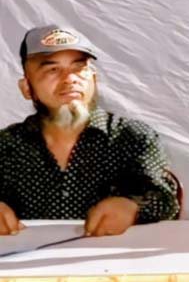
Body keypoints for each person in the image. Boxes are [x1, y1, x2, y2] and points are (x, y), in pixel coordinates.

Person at [0, 25, 179, 236]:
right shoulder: (6, 144)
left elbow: (163, 197)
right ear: (27, 88)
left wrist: (132, 206)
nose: (70, 79)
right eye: (52, 70)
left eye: (78, 67)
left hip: (111, 254)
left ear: (93, 80)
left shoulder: (133, 136)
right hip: (24, 255)